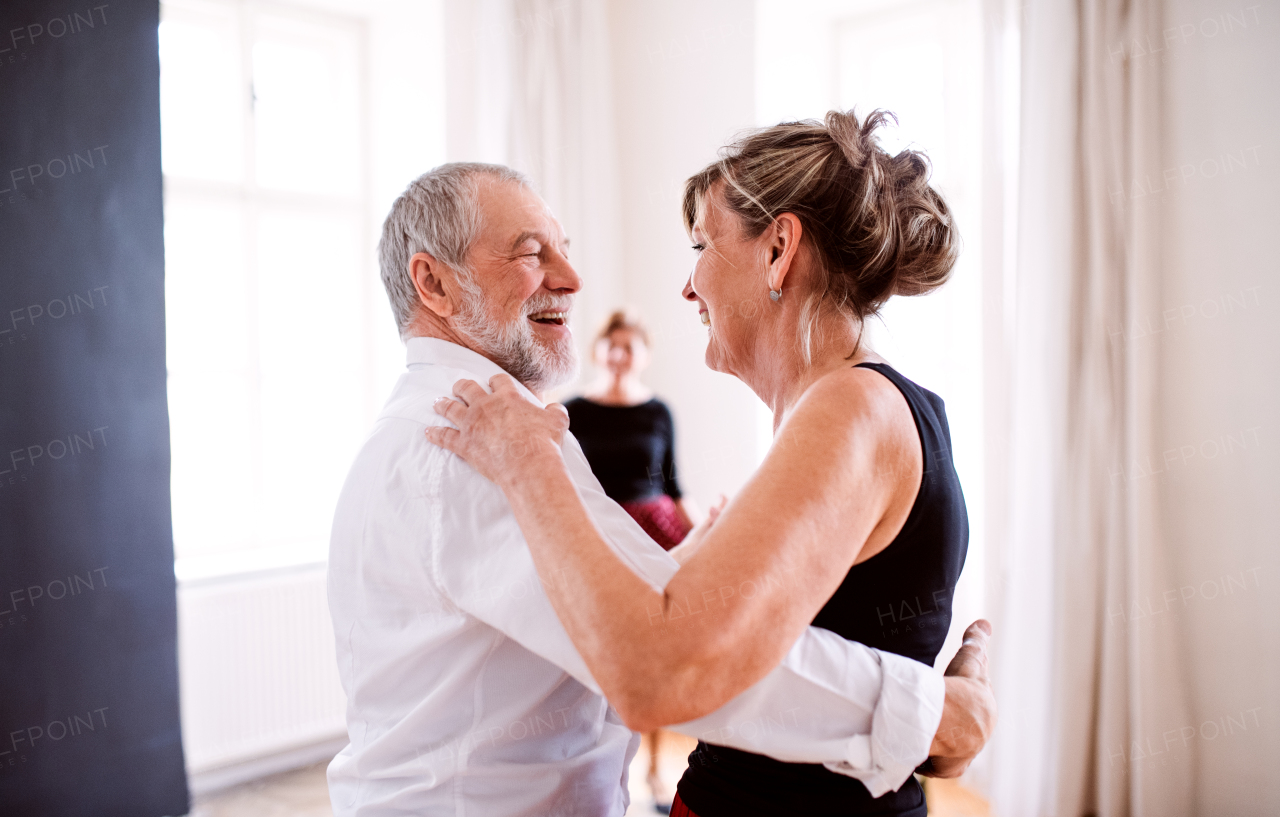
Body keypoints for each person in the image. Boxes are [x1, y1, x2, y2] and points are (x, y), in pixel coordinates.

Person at [327, 160, 995, 816]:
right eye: (532, 253)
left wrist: (678, 568)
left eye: (564, 249)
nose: (572, 278)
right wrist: (933, 715)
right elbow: (679, 663)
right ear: (434, 284)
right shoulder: (469, 439)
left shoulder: (490, 432)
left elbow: (644, 638)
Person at [565, 310, 700, 810]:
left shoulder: (658, 411)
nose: (620, 355)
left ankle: (654, 771)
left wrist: (704, 540)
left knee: (655, 656)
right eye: (612, 345)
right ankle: (593, 770)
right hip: (599, 537)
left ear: (643, 355)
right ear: (599, 350)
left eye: (630, 346)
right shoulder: (571, 410)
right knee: (598, 655)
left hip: (656, 534)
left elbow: (672, 484)